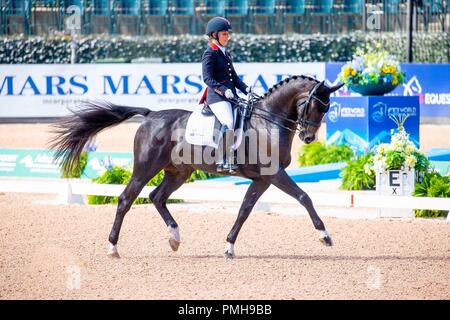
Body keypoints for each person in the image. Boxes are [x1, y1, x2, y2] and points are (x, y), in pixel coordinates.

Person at [200, 16, 250, 173]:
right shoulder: (210, 53)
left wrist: (246, 89)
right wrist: (223, 90)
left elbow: (233, 78)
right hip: (216, 97)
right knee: (228, 122)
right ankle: (223, 159)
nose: (227, 37)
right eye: (224, 34)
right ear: (214, 35)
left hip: (231, 96)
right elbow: (207, 78)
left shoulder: (226, 54)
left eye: (227, 34)